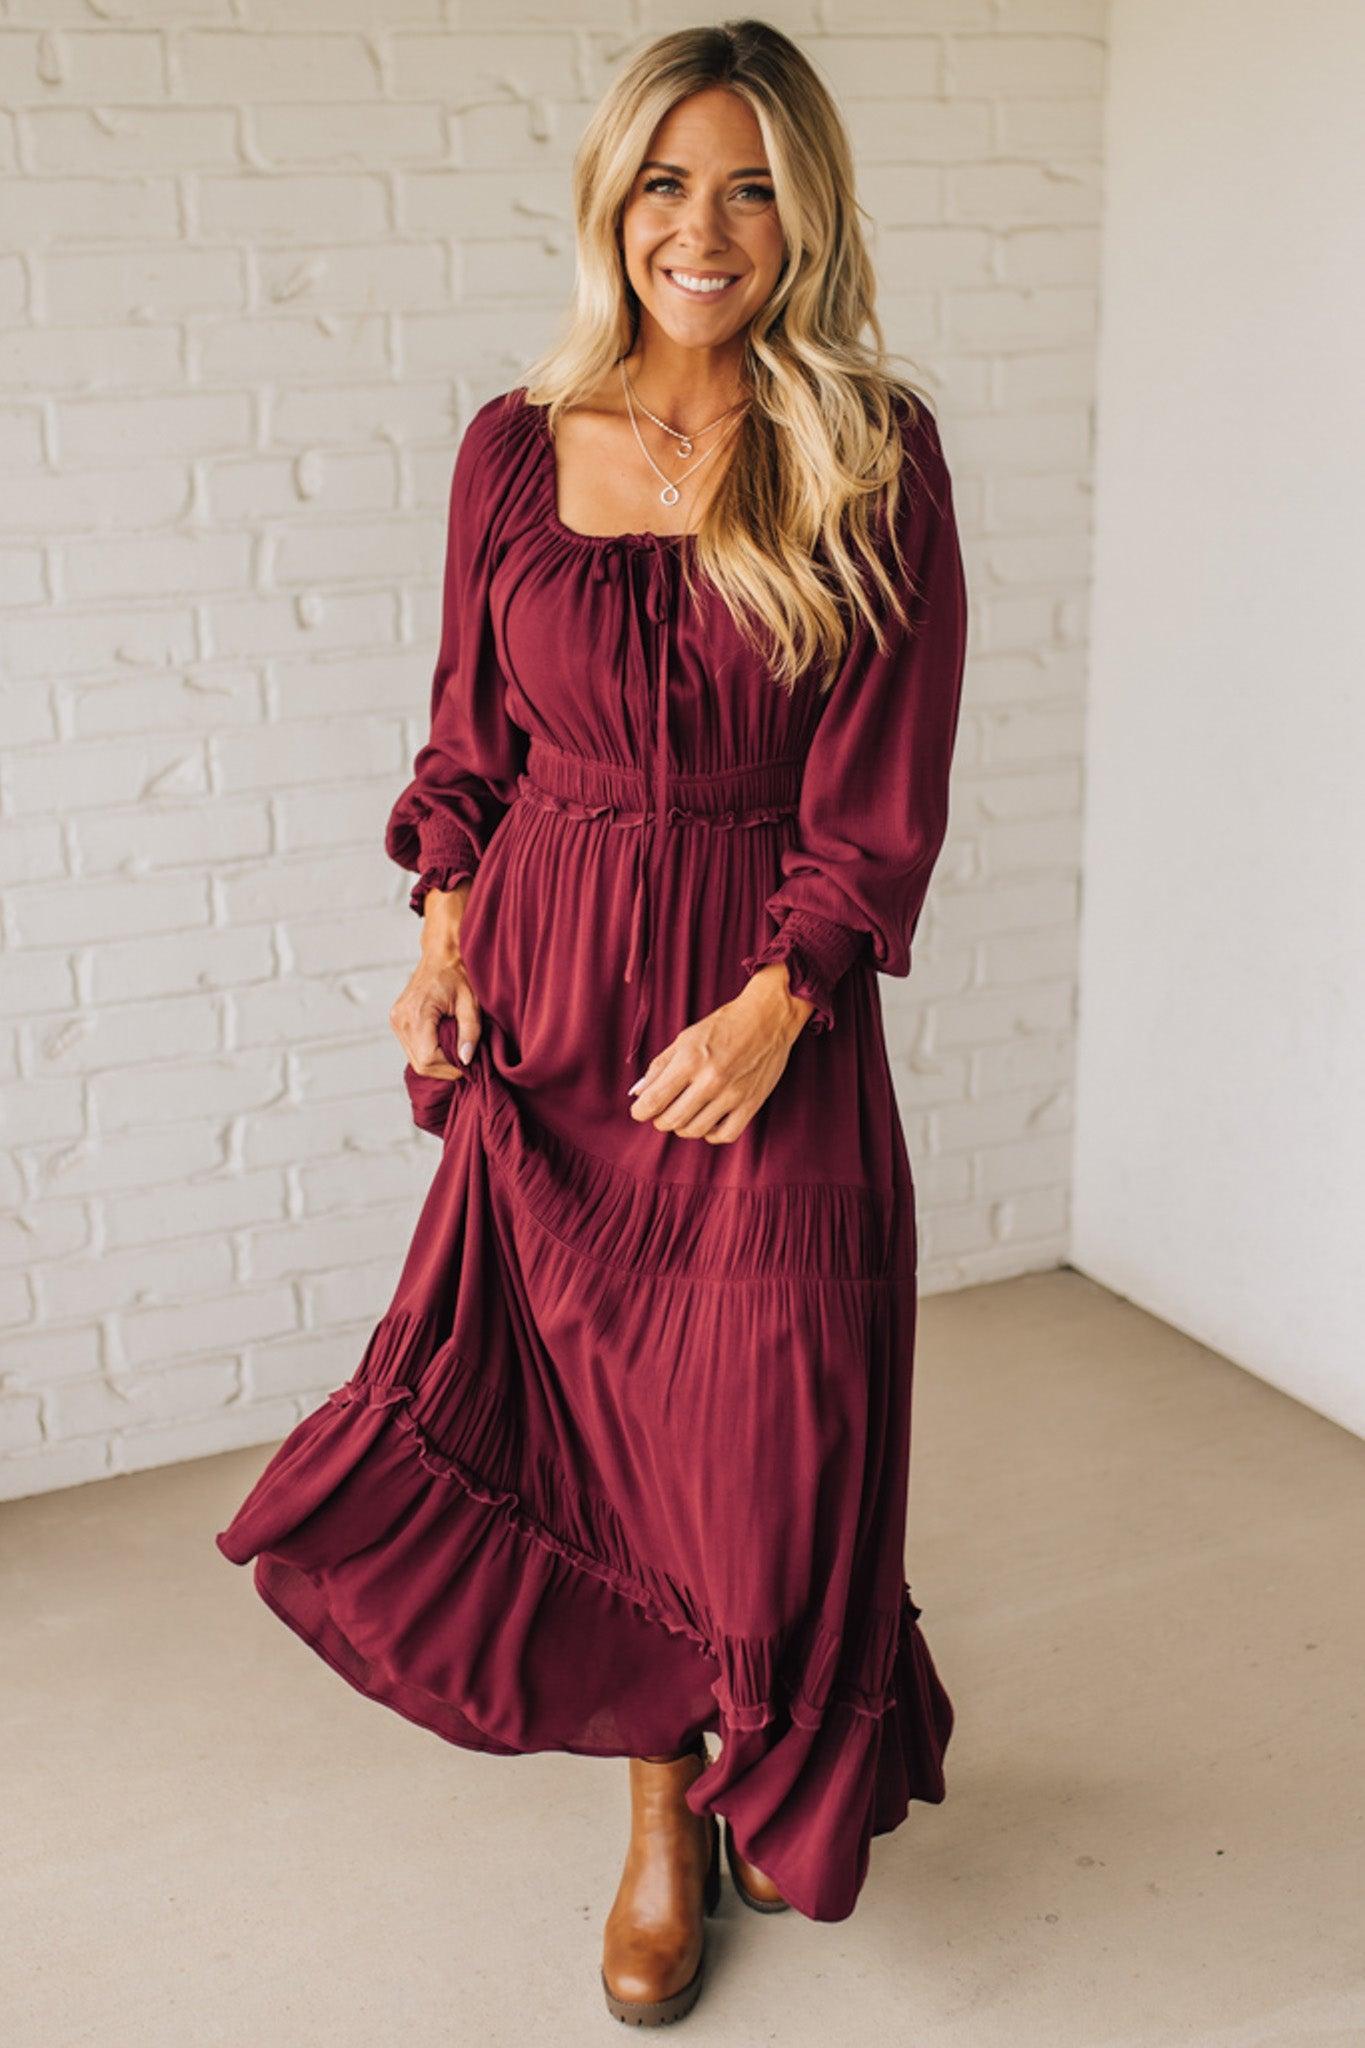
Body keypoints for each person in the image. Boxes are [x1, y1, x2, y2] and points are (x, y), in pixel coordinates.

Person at [217, 18, 968, 2027]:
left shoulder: (868, 450)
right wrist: (441, 935)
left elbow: (876, 797)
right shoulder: (506, 446)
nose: (700, 230)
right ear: (608, 203)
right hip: (548, 1024)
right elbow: (470, 746)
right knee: (588, 1438)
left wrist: (779, 1005)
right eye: (663, 182)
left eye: (746, 187)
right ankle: (656, 1816)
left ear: (799, 215)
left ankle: (749, 1754)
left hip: (747, 1023)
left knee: (756, 1445)